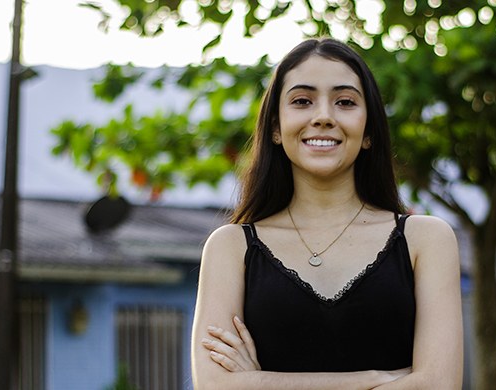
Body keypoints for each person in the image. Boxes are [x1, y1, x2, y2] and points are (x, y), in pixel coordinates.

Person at [190, 37, 463, 389]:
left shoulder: (426, 240)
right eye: (302, 101)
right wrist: (374, 380)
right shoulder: (230, 248)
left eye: (345, 102)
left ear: (368, 131)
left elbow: (437, 386)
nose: (323, 117)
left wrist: (259, 382)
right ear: (275, 127)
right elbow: (216, 386)